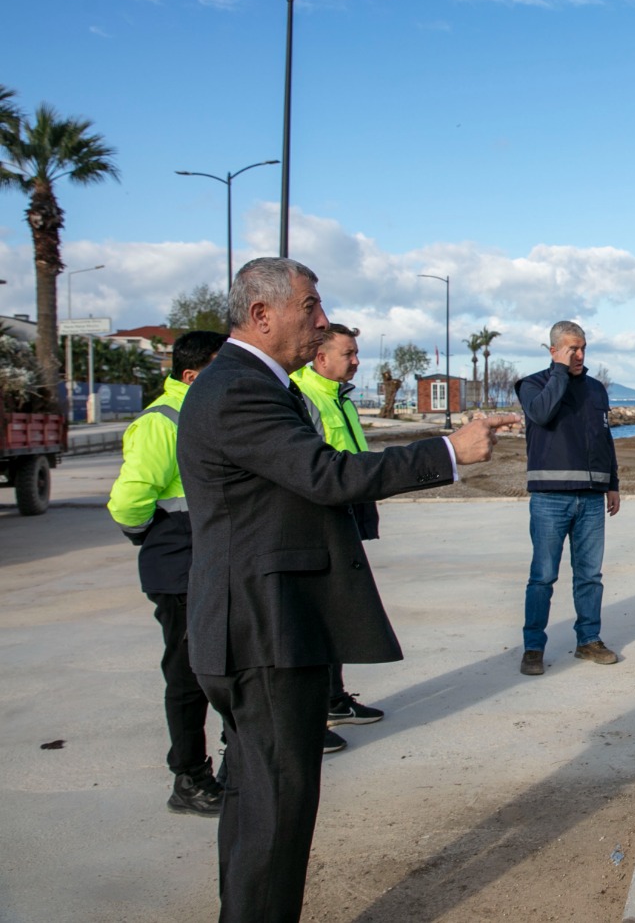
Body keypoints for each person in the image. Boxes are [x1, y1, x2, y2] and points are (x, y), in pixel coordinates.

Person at [177, 257, 519, 923]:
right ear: (261, 314)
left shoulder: (244, 384)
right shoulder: (239, 389)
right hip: (266, 627)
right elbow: (324, 474)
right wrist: (446, 454)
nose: (323, 319)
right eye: (311, 306)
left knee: (256, 801)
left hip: (254, 623)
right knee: (277, 806)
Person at [107, 329, 229, 817]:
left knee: (222, 666)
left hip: (210, 558)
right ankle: (189, 777)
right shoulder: (162, 421)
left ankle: (230, 765)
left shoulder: (207, 413)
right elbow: (128, 501)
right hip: (178, 564)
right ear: (192, 374)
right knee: (188, 675)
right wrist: (152, 536)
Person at [290, 323, 383, 755]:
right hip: (317, 520)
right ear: (321, 358)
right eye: (349, 353)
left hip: (347, 510)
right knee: (316, 620)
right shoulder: (303, 398)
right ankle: (313, 715)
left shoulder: (335, 395)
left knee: (338, 612)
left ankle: (334, 698)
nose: (357, 361)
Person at [515, 320, 621, 677]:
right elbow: (542, 413)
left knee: (590, 575)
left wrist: (613, 483)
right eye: (571, 348)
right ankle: (533, 647)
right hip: (549, 499)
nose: (579, 355)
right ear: (553, 350)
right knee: (542, 577)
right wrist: (560, 372)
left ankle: (588, 641)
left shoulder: (595, 389)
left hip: (591, 499)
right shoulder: (532, 385)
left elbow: (605, 439)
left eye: (583, 348)